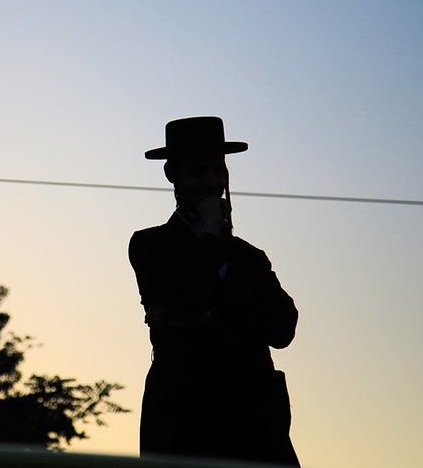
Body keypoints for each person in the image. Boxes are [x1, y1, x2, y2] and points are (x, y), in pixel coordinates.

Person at [129, 116, 300, 466]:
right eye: (198, 172)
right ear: (172, 175)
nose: (211, 182)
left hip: (256, 432)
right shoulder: (150, 244)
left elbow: (283, 328)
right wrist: (210, 234)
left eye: (217, 170)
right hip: (183, 428)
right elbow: (187, 295)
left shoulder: (250, 257)